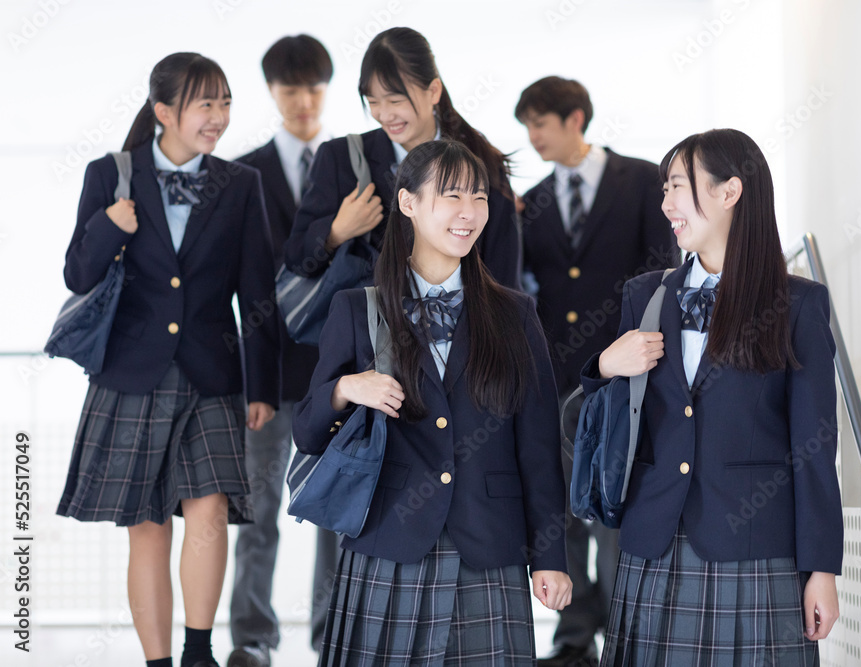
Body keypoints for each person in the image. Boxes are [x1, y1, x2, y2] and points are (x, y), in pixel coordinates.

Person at [292, 140, 571, 665]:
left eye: (479, 196)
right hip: (388, 540)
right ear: (408, 203)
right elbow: (307, 431)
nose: (469, 211)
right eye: (452, 195)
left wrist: (550, 557)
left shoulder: (515, 315)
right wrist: (346, 388)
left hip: (489, 545)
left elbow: (538, 448)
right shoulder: (357, 309)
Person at [585, 129, 842, 665]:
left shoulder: (798, 305)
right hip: (653, 541)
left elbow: (815, 447)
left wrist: (821, 569)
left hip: (754, 548)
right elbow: (605, 418)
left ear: (730, 192)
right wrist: (605, 366)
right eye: (664, 190)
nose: (666, 204)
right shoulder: (644, 296)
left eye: (678, 186)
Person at [56, 52, 280, 667]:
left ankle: (198, 653)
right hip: (132, 375)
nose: (219, 116)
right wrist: (110, 225)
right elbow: (78, 273)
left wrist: (263, 385)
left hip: (213, 374)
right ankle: (158, 661)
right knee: (148, 526)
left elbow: (257, 291)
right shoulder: (111, 174)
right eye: (205, 104)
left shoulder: (241, 184)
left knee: (210, 510)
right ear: (163, 111)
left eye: (225, 102)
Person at [515, 75, 678, 666]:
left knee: (616, 510)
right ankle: (574, 637)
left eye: (540, 124)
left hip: (628, 377)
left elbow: (664, 272)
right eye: (527, 126)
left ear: (575, 119)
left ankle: (625, 637)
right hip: (557, 381)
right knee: (562, 512)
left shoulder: (642, 180)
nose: (532, 137)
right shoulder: (529, 202)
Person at [228, 35, 338, 667]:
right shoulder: (244, 174)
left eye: (314, 87)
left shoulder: (354, 168)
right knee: (257, 515)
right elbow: (242, 286)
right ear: (272, 92)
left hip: (339, 375)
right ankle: (252, 639)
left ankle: (334, 638)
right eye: (291, 88)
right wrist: (255, 385)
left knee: (338, 514)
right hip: (268, 376)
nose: (304, 100)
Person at [284, 26, 522, 293]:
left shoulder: (481, 160)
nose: (385, 115)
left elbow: (505, 281)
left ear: (433, 91)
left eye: (395, 101)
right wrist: (336, 232)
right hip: (371, 319)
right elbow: (296, 259)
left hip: (463, 318)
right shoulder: (341, 158)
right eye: (373, 102)